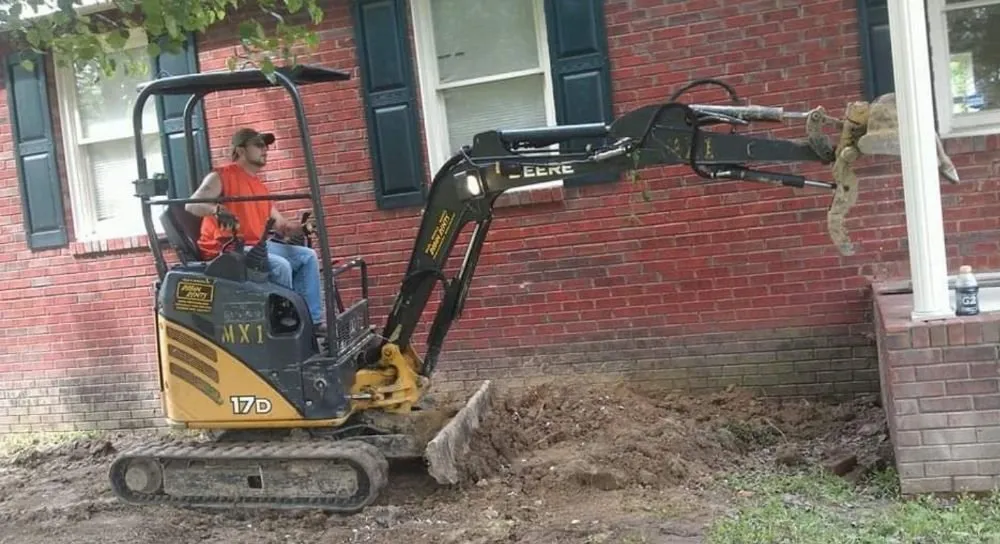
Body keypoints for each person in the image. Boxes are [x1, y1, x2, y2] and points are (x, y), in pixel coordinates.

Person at [186, 127, 326, 335]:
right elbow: (192, 205)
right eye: (259, 145)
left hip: (255, 246)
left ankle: (312, 323)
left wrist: (302, 227)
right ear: (241, 150)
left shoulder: (260, 188)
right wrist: (216, 210)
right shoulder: (222, 176)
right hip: (227, 249)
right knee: (281, 266)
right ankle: (284, 323)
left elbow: (282, 226)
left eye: (266, 146)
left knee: (307, 256)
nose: (265, 150)